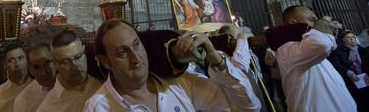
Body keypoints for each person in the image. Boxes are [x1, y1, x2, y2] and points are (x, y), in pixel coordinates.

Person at [84, 19, 261, 111]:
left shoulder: (179, 84)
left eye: (136, 45)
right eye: (122, 52)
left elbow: (247, 107)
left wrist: (216, 59)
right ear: (105, 61)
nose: (136, 58)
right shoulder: (98, 107)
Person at [277, 5, 356, 112]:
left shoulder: (308, 49)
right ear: (293, 23)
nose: (316, 23)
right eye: (312, 20)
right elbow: (321, 43)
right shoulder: (287, 49)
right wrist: (323, 22)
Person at [36, 30, 102, 112]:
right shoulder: (47, 108)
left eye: (78, 57)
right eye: (65, 62)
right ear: (54, 64)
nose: (75, 66)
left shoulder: (104, 84)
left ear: (84, 51)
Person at [330, 30, 369, 111]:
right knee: (360, 103)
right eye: (348, 37)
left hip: (367, 79)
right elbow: (337, 65)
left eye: (353, 37)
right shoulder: (338, 52)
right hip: (352, 81)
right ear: (343, 40)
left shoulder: (364, 50)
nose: (352, 39)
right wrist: (348, 72)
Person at [0, 42, 32, 111]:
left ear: (27, 59)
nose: (17, 64)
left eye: (20, 58)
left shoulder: (40, 84)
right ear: (5, 65)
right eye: (11, 60)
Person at [14, 42, 57, 112]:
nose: (44, 72)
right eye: (37, 67)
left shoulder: (71, 86)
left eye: (47, 63)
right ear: (30, 70)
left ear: (55, 62)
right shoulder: (23, 100)